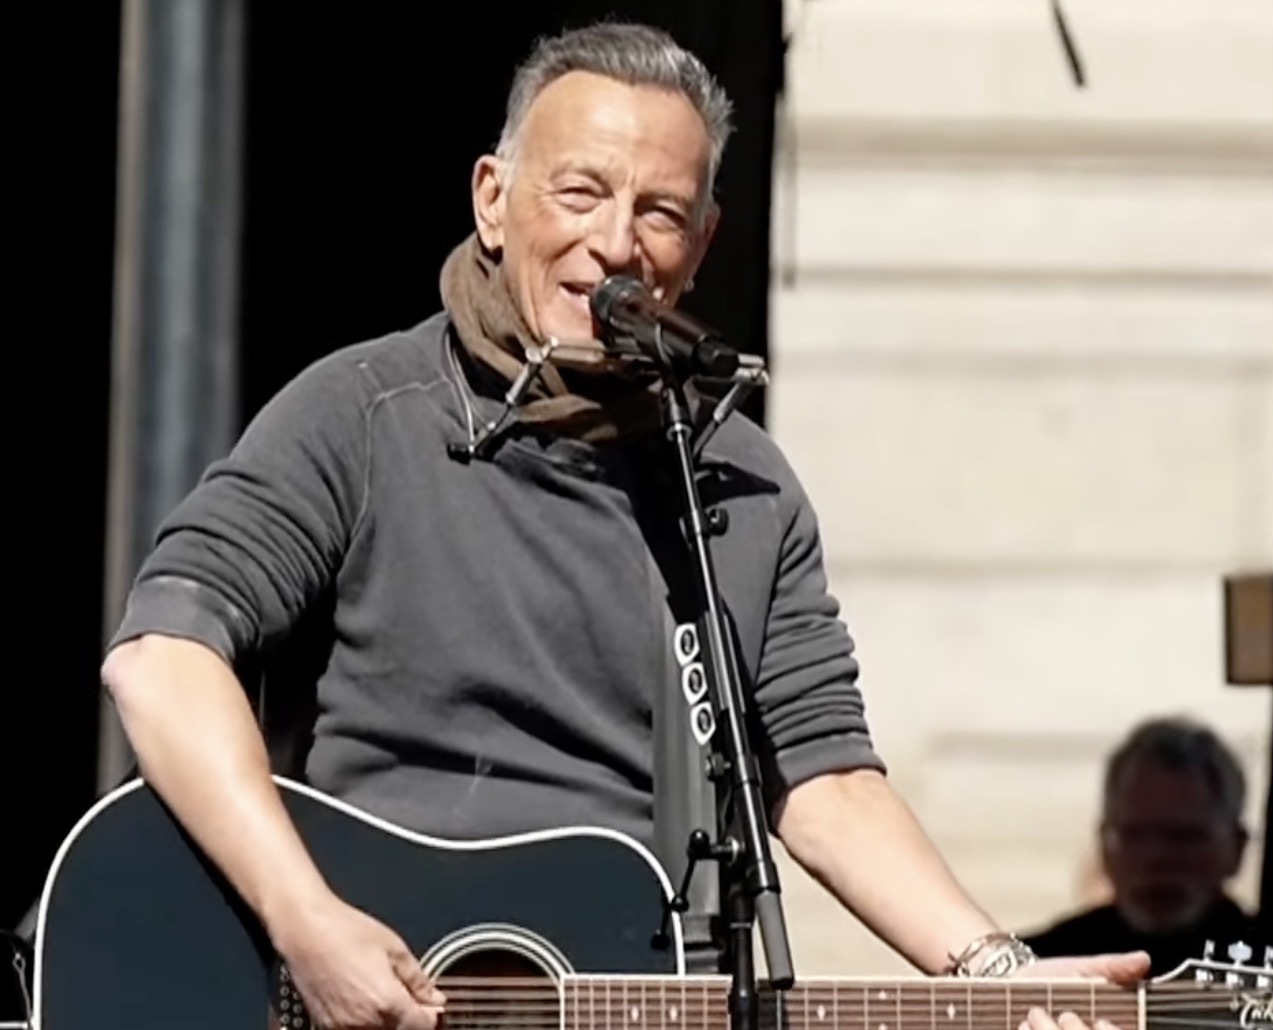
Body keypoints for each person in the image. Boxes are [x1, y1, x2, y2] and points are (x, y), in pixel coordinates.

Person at [100, 20, 1149, 1030]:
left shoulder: (737, 482)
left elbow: (823, 780)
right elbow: (161, 659)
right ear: (494, 199)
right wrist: (306, 917)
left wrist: (1001, 974)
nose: (614, 244)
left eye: (658, 211)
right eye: (581, 192)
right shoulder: (364, 413)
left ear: (700, 245)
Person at [1019, 717, 1264, 975]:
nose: (1156, 857)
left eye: (1183, 837)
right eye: (1134, 835)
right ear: (1104, 844)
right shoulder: (1042, 969)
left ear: (1237, 848)